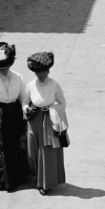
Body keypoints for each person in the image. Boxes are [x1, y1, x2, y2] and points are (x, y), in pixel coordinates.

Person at [0, 42, 30, 191]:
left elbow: (24, 98)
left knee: (15, 145)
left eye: (5, 68)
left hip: (14, 112)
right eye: (0, 69)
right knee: (0, 147)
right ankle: (4, 181)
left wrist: (25, 116)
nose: (3, 71)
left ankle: (17, 178)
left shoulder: (18, 77)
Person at [24, 51, 68, 195]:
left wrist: (52, 110)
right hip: (33, 119)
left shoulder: (55, 85)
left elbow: (62, 103)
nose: (40, 76)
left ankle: (46, 184)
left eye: (42, 72)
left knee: (46, 151)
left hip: (48, 120)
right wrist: (26, 108)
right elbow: (25, 101)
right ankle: (37, 177)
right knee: (32, 150)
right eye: (37, 73)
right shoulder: (30, 86)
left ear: (48, 71)